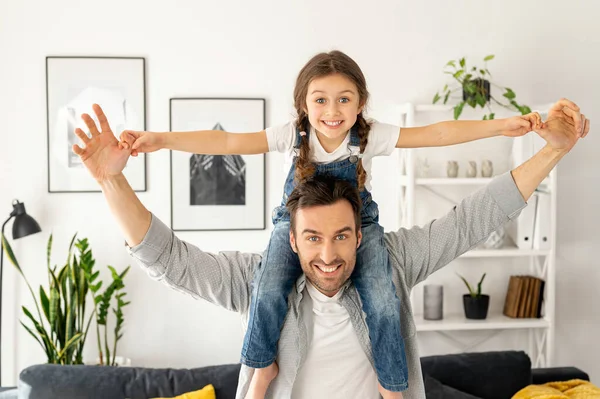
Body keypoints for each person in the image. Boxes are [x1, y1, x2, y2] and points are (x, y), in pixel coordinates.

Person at [72, 96, 589, 398]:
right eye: (313, 238)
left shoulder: (390, 263)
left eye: (342, 236)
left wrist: (552, 152)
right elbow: (171, 260)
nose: (328, 254)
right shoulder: (261, 281)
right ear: (291, 238)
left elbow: (474, 219)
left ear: (361, 233)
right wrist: (111, 183)